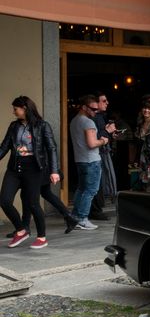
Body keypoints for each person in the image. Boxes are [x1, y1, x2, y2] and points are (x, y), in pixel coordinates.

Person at [0, 97, 70, 249]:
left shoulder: (43, 126)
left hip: (34, 169)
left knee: (33, 203)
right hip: (14, 168)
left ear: (25, 108)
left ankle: (41, 237)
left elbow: (51, 148)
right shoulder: (13, 126)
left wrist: (54, 170)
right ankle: (21, 230)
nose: (13, 112)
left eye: (15, 109)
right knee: (4, 200)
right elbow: (4, 146)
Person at [70, 95, 108, 231]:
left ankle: (74, 217)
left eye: (97, 109)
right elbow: (92, 144)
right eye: (93, 109)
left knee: (81, 189)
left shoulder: (74, 121)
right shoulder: (88, 122)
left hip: (80, 160)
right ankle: (82, 218)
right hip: (91, 160)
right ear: (84, 107)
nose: (96, 112)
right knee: (90, 190)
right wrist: (104, 141)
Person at [88, 92, 118, 221]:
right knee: (98, 182)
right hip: (97, 153)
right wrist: (108, 131)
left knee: (100, 181)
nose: (107, 103)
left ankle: (96, 209)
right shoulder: (94, 117)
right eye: (104, 101)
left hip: (101, 152)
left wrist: (110, 134)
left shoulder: (100, 116)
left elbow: (101, 134)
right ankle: (95, 210)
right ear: (96, 103)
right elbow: (96, 136)